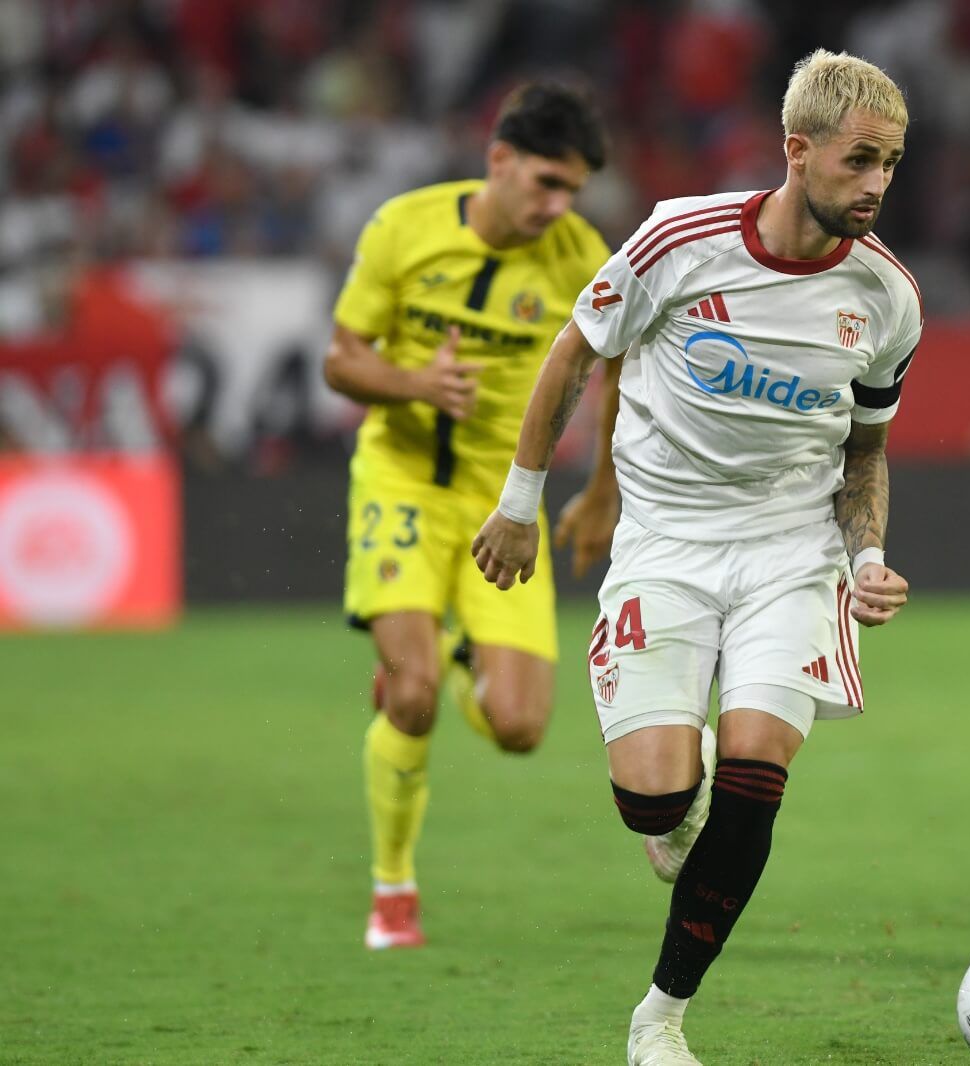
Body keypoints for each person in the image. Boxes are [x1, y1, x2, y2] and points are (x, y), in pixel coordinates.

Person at [473, 49, 919, 1065]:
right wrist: (519, 503)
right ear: (797, 152)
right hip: (664, 545)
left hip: (788, 554)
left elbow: (865, 452)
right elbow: (573, 355)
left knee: (760, 775)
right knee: (656, 800)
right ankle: (674, 797)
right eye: (858, 160)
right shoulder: (681, 235)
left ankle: (660, 1017)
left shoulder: (888, 296)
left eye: (891, 162)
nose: (877, 183)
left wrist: (865, 556)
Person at [322, 82, 623, 950]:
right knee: (409, 699)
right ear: (498, 160)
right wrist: (416, 384)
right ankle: (393, 890)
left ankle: (461, 656)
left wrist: (601, 489)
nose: (556, 206)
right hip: (403, 481)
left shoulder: (578, 254)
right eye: (544, 182)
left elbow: (616, 370)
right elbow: (341, 360)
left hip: (506, 509)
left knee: (521, 729)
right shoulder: (402, 228)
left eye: (571, 190)